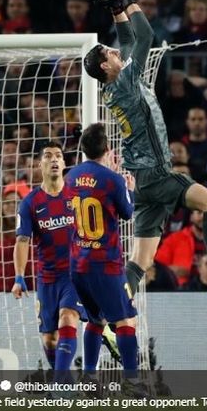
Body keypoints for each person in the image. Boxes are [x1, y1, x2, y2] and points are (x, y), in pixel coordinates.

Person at [83, 0, 207, 299]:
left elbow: (127, 38)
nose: (116, 51)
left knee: (140, 261)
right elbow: (145, 38)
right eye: (109, 53)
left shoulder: (114, 88)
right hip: (155, 171)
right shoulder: (124, 81)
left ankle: (114, 312)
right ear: (106, 67)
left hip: (141, 181)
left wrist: (116, 7)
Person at [63, 123, 142, 386]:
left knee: (95, 319)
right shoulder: (113, 179)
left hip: (79, 264)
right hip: (106, 264)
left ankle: (89, 376)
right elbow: (128, 213)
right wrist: (129, 188)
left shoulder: (71, 176)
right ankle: (132, 382)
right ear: (107, 149)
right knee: (125, 320)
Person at [11, 142, 86, 376]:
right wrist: (19, 276)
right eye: (48, 156)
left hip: (75, 276)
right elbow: (22, 241)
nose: (54, 159)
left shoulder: (77, 195)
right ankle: (65, 383)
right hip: (47, 278)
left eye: (58, 156)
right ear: (40, 164)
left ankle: (60, 385)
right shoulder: (30, 203)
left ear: (64, 164)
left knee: (68, 318)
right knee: (50, 339)